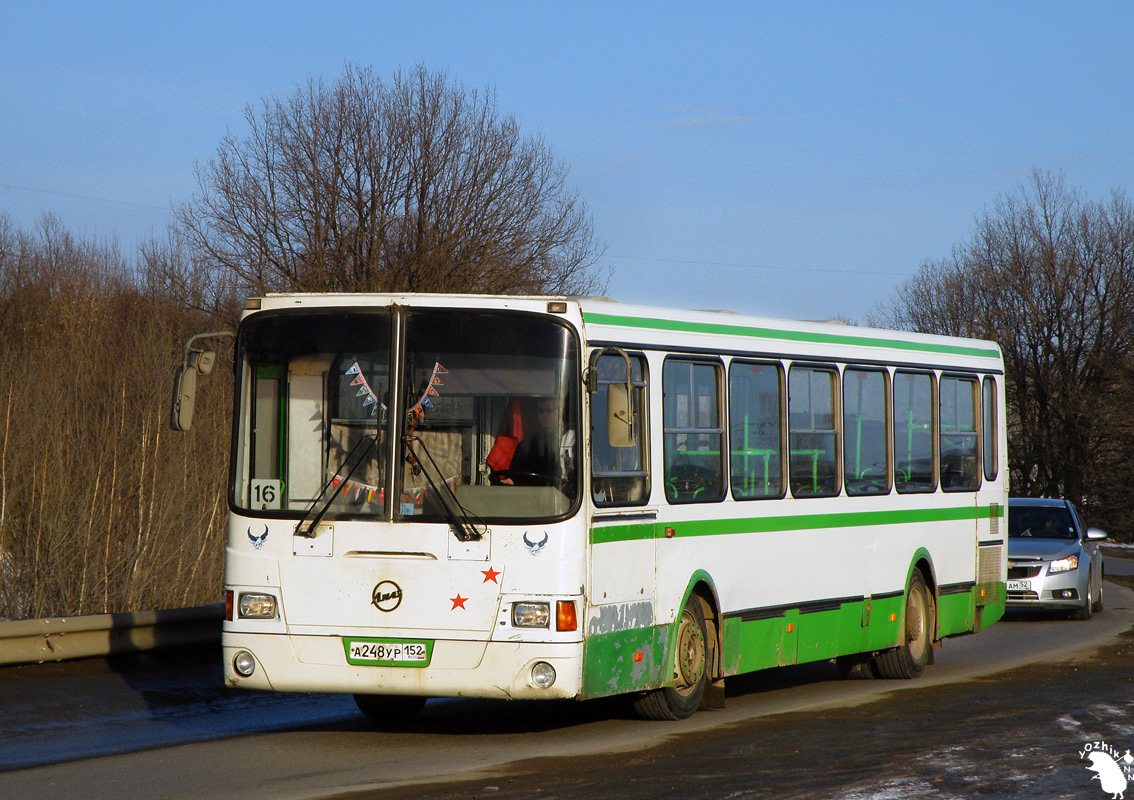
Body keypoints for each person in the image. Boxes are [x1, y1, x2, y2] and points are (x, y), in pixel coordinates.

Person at [488, 397, 575, 490]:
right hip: (535, 495)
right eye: (541, 411)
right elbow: (518, 473)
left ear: (562, 411)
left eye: (550, 410)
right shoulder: (528, 442)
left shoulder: (573, 439)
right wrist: (513, 481)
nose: (545, 415)